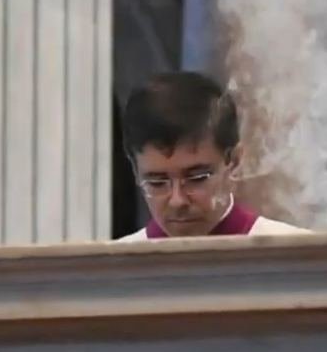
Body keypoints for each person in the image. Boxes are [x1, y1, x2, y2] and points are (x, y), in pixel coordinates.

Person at [117, 71, 305, 240]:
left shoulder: (298, 257)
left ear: (234, 161)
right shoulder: (112, 270)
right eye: (157, 183)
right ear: (135, 171)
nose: (177, 201)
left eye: (197, 178)